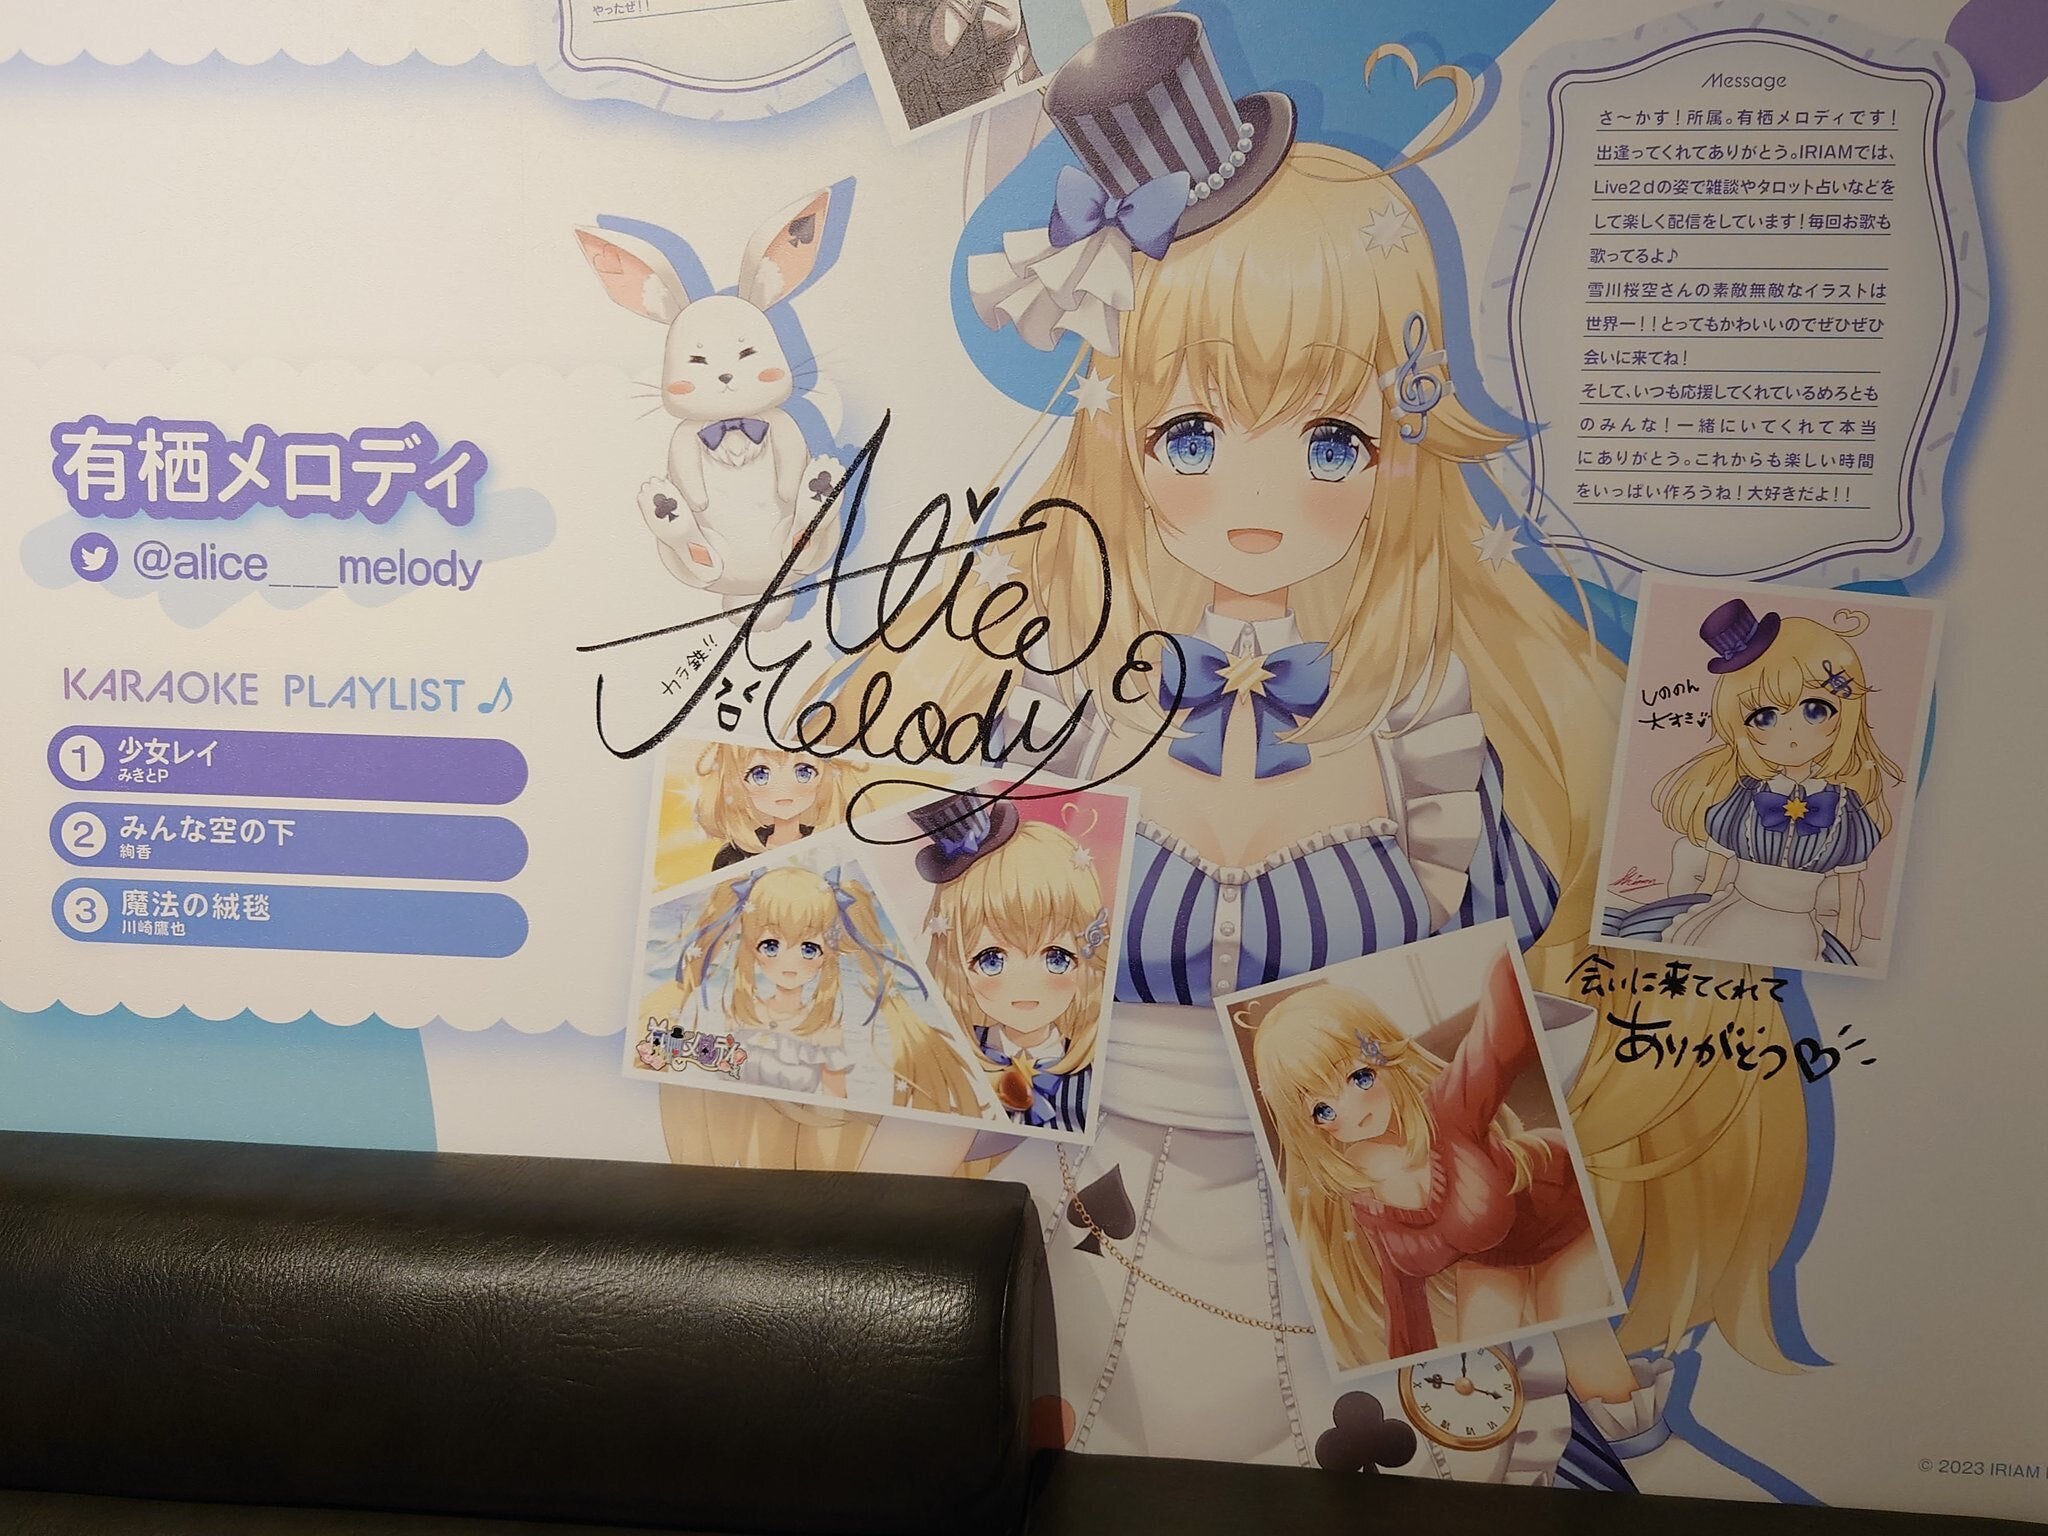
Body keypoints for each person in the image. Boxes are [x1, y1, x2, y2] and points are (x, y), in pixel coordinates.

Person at [804, 12, 1812, 1476]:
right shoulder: (1057, 712)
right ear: (1119, 430)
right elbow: (975, 1050)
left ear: (1397, 447)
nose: (1257, 500)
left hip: (1378, 1269)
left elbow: (1502, 1065)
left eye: (1328, 441)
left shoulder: (1432, 735)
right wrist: (843, 1288)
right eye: (1194, 436)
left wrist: (1577, 1327)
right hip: (1090, 1268)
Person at [1250, 955, 1609, 1372]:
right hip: (1491, 1256)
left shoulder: (1449, 1111)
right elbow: (1404, 1302)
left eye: (1360, 1077)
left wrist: (1522, 953)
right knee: (1479, 1367)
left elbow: (1498, 1040)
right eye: (1323, 1110)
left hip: (1560, 1206)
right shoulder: (1366, 1202)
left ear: (1383, 1057)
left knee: (1585, 1354)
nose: (1353, 1113)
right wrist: (1410, 1379)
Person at [1614, 602, 1899, 968]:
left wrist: (1846, 934)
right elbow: (1716, 867)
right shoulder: (1746, 794)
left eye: (1815, 710)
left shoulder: (1847, 806)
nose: (1791, 732)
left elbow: (1849, 884)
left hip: (1800, 927)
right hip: (1736, 910)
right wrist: (1698, 902)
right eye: (1764, 718)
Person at [914, 794, 1108, 1133]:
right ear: (956, 964)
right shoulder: (947, 1061)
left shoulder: (1093, 1079)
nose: (1025, 984)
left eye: (1057, 958)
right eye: (991, 960)